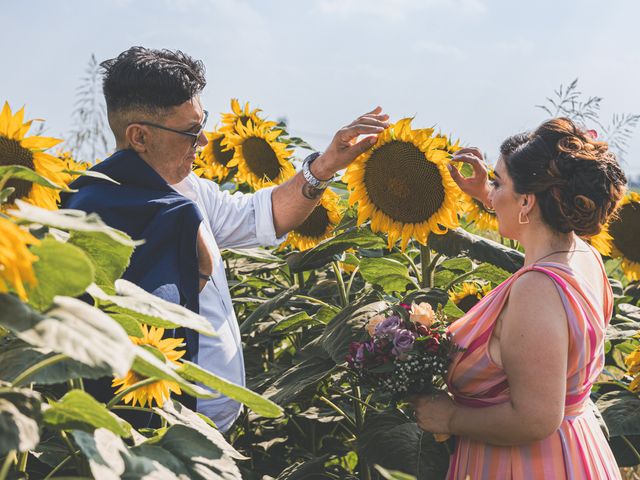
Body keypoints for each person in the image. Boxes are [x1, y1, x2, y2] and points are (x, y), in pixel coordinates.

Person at [61, 46, 389, 431]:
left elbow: (262, 216)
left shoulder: (188, 190)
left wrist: (325, 165)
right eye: (189, 132)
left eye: (202, 124)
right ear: (139, 137)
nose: (202, 143)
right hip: (158, 434)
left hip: (219, 429)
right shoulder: (91, 214)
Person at [410, 118, 627, 478]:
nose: (491, 194)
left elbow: (535, 418)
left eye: (498, 183)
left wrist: (448, 416)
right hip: (579, 452)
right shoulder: (585, 257)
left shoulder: (536, 290)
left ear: (527, 201)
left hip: (526, 464)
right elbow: (538, 229)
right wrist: (486, 192)